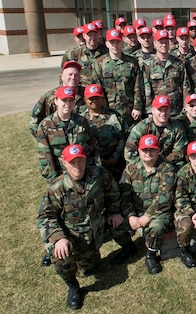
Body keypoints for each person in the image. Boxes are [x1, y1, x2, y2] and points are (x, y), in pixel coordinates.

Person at [37, 144, 134, 310]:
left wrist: (114, 211)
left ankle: (129, 247)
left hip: (97, 229)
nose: (77, 166)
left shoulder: (99, 174)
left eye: (80, 161)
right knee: (60, 255)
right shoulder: (57, 188)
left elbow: (113, 191)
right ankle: (73, 287)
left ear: (85, 160)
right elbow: (45, 217)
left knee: (119, 222)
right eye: (72, 162)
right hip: (73, 237)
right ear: (64, 164)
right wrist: (58, 238)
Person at [120, 134, 178, 274]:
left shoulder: (167, 169)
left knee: (156, 228)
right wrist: (131, 216)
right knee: (113, 222)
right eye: (144, 149)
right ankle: (128, 246)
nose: (148, 153)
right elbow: (124, 195)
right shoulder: (131, 169)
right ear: (139, 150)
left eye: (152, 149)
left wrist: (147, 216)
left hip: (159, 212)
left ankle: (150, 255)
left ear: (158, 150)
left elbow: (165, 197)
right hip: (136, 211)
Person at [36, 86, 98, 183]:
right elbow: (45, 159)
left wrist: (94, 172)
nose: (67, 104)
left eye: (71, 100)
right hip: (61, 178)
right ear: (56, 101)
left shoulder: (82, 122)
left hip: (85, 175)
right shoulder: (45, 126)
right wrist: (55, 181)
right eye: (64, 100)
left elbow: (93, 149)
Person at [92, 28, 144, 126]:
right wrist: (102, 109)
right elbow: (98, 89)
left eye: (117, 42)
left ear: (122, 43)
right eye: (112, 42)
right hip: (109, 110)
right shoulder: (99, 63)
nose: (115, 45)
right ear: (107, 44)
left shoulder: (132, 62)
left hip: (129, 111)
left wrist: (137, 107)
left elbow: (138, 86)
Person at [124, 95, 188, 171]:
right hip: (143, 167)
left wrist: (162, 166)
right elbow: (129, 153)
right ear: (153, 110)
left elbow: (179, 153)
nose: (163, 113)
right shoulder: (140, 128)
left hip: (168, 167)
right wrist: (148, 166)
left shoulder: (177, 127)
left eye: (166, 109)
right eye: (160, 110)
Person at [81, 84, 126, 180]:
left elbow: (124, 137)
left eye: (97, 98)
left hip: (117, 163)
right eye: (91, 98)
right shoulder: (81, 120)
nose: (94, 101)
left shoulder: (114, 115)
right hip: (92, 166)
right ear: (85, 100)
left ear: (102, 98)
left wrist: (115, 157)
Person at [30, 60, 87, 136]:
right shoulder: (49, 97)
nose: (73, 77)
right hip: (58, 141)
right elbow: (35, 119)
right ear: (62, 76)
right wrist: (43, 139)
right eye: (70, 74)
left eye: (76, 75)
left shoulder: (87, 95)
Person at [142, 29, 191, 117]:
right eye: (161, 42)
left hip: (176, 111)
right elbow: (147, 89)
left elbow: (185, 86)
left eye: (166, 42)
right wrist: (150, 110)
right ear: (155, 43)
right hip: (158, 112)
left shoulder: (178, 63)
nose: (163, 45)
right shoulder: (148, 65)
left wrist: (186, 106)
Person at [61, 22, 107, 86]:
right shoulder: (73, 55)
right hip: (83, 91)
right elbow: (64, 76)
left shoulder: (107, 52)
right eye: (90, 35)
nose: (93, 38)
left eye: (94, 35)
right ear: (84, 36)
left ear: (98, 34)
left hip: (104, 91)